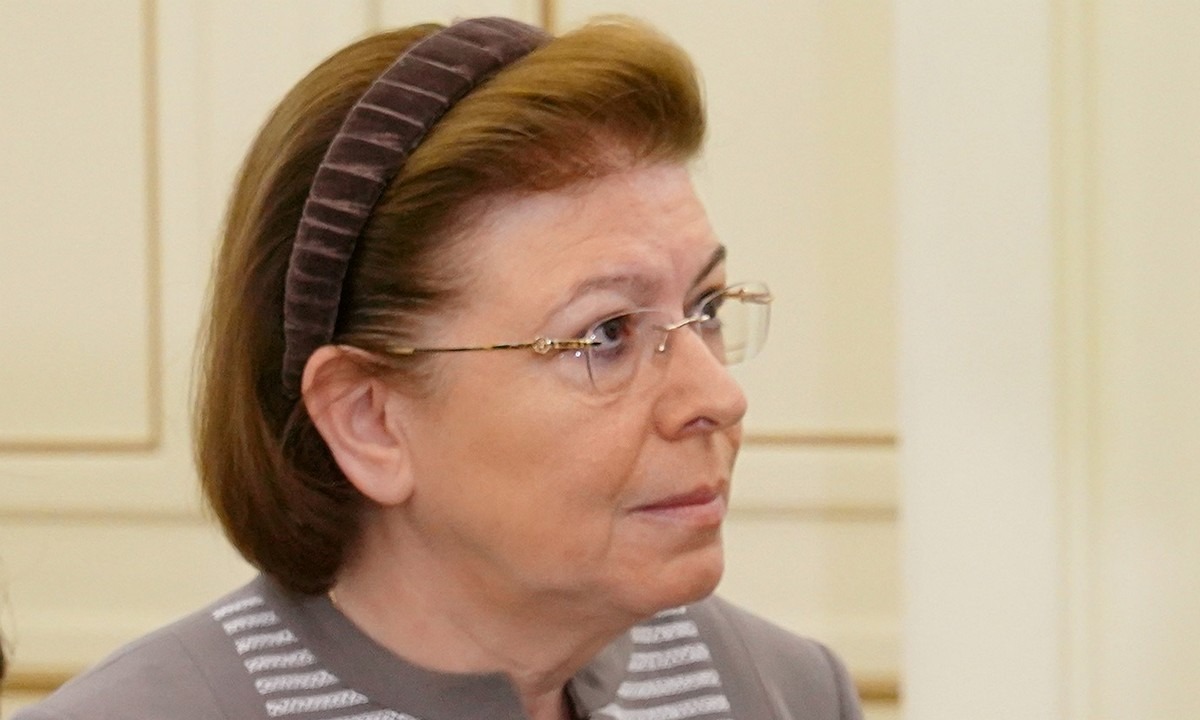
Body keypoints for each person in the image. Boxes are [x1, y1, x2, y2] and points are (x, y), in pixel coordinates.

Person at [16, 15, 862, 720]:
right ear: (369, 420)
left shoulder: (783, 694)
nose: (718, 395)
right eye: (605, 334)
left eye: (706, 308)